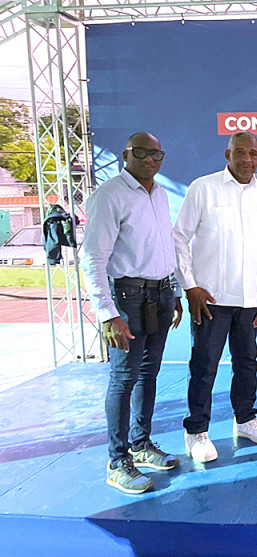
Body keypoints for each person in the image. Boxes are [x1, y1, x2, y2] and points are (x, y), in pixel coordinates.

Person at [174, 131, 257, 462]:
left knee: (247, 363)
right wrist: (189, 285)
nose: (247, 159)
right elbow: (179, 237)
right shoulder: (203, 188)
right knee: (204, 365)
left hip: (251, 298)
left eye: (253, 154)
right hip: (211, 300)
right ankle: (196, 431)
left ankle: (245, 420)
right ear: (227, 154)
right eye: (240, 152)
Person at [83, 131, 182, 493]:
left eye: (157, 154)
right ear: (127, 154)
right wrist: (108, 313)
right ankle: (117, 460)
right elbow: (92, 258)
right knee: (124, 378)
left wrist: (176, 291)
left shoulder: (159, 194)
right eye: (142, 152)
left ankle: (140, 445)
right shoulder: (110, 195)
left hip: (160, 293)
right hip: (127, 298)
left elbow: (164, 246)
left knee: (148, 374)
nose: (151, 159)